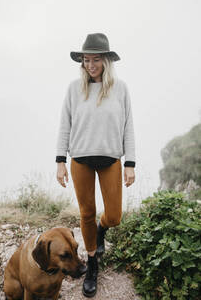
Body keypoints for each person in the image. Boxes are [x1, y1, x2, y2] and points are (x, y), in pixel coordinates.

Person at [56, 33, 135, 298]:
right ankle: (92, 264)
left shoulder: (120, 88)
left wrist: (130, 163)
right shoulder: (73, 89)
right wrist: (60, 161)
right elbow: (64, 126)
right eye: (86, 60)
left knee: (113, 216)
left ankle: (102, 230)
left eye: (96, 59)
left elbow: (128, 127)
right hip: (80, 160)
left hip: (110, 159)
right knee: (86, 213)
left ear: (106, 61)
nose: (90, 65)